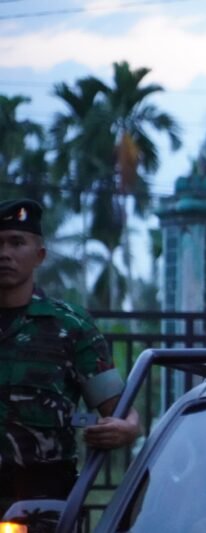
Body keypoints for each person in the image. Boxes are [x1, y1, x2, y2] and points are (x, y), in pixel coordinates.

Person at [0, 199, 140, 515]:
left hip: (40, 508)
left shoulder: (71, 326)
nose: (4, 253)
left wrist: (125, 429)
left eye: (16, 242)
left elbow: (122, 413)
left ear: (39, 256)